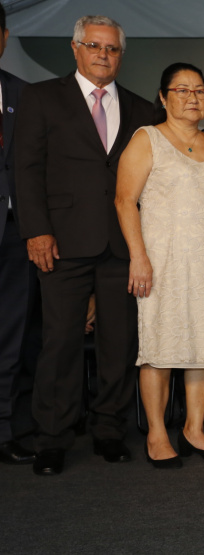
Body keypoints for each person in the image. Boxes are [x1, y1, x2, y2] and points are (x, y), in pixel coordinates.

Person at [15, 16, 157, 476]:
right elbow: (27, 168)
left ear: (121, 54)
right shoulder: (40, 97)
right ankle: (52, 438)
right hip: (61, 242)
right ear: (74, 49)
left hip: (122, 244)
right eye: (93, 46)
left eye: (112, 49)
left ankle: (109, 430)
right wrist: (36, 229)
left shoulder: (140, 109)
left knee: (119, 344)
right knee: (59, 343)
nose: (103, 54)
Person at [115, 63, 204, 468]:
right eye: (181, 90)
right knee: (159, 349)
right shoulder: (147, 140)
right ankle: (157, 434)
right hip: (162, 263)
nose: (192, 97)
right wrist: (138, 257)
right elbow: (125, 201)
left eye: (199, 90)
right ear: (163, 97)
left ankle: (194, 428)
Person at [0, 5, 35, 466]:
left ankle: (4, 428)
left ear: (5, 37)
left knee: (10, 337)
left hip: (16, 232)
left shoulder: (23, 94)